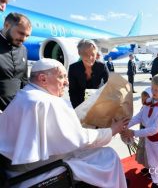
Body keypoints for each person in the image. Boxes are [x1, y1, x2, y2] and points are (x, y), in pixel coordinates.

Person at [0, 58, 129, 188]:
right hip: (37, 172)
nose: (67, 82)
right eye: (61, 77)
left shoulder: (24, 94)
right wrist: (112, 130)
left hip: (15, 171)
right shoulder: (47, 102)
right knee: (108, 155)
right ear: (43, 79)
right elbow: (80, 139)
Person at [124, 72, 158, 188]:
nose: (153, 92)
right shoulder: (149, 102)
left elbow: (154, 129)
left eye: (156, 90)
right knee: (152, 163)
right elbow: (139, 116)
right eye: (152, 88)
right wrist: (126, 125)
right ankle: (157, 183)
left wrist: (134, 133)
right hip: (149, 140)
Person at [0, 12, 32, 112]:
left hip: (17, 108)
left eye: (27, 35)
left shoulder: (23, 50)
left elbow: (24, 79)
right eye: (21, 33)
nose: (24, 39)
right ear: (6, 25)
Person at [68, 39, 109, 108]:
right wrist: (77, 109)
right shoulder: (73, 68)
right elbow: (73, 91)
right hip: (80, 104)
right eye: (85, 54)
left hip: (98, 104)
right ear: (79, 53)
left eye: (93, 54)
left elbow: (109, 86)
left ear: (96, 54)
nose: (90, 58)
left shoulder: (102, 66)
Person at [135, 87, 152, 177]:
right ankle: (148, 166)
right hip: (143, 133)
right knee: (144, 151)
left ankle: (155, 169)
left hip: (151, 135)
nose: (143, 101)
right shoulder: (144, 107)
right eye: (142, 99)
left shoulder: (157, 108)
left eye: (145, 99)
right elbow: (138, 118)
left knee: (151, 153)